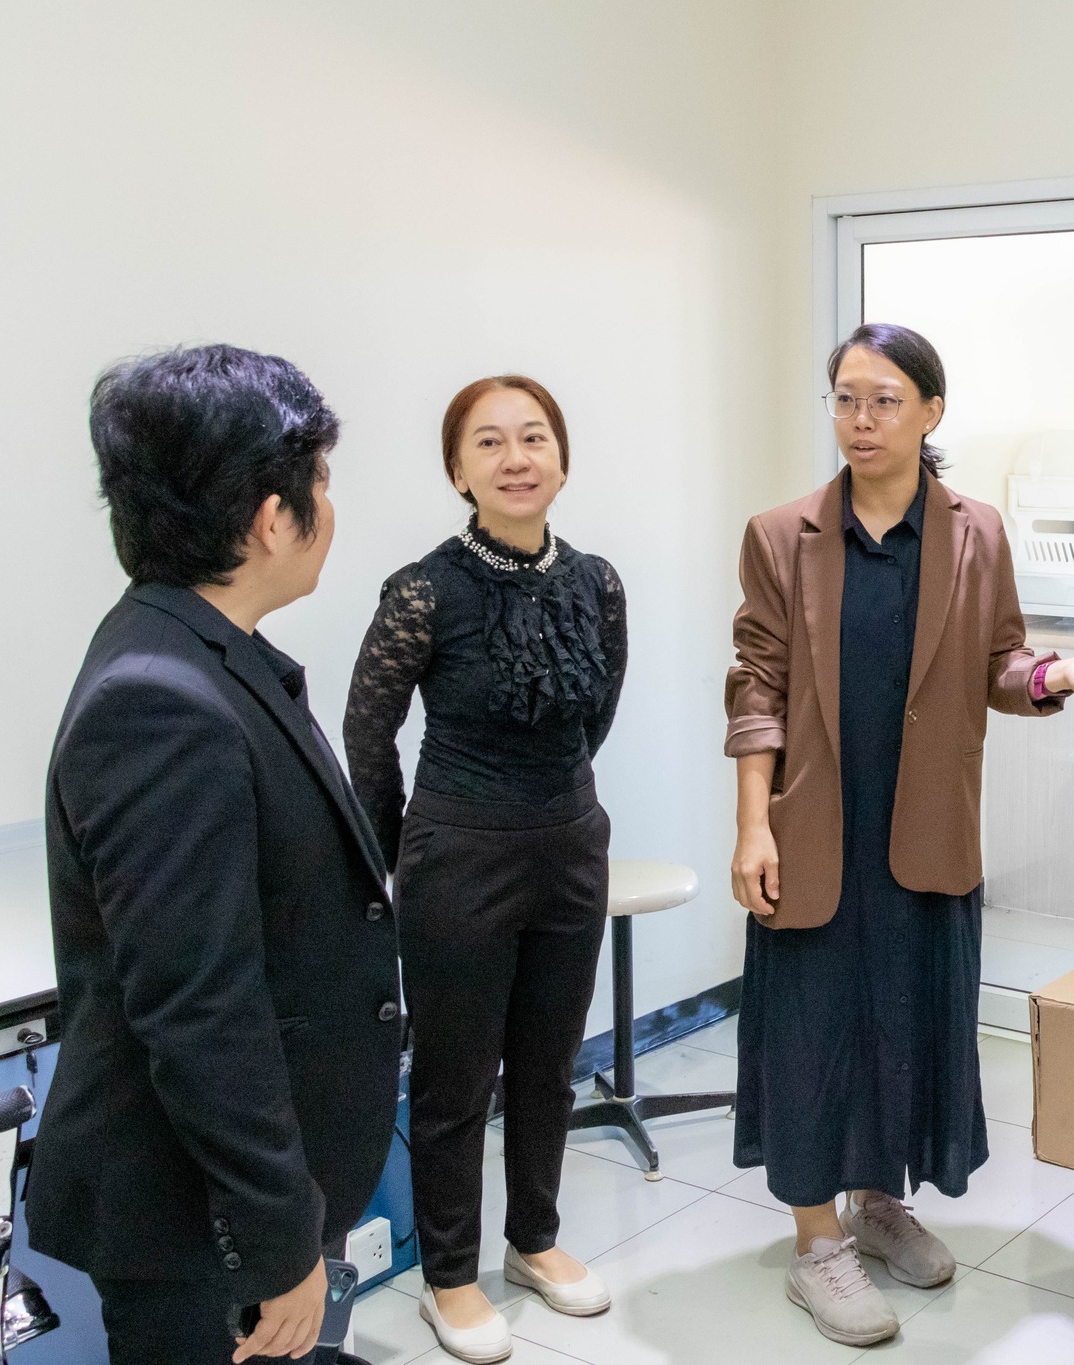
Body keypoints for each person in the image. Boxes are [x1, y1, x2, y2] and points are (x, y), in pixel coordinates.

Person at [725, 323, 1074, 1346]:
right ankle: (815, 1244)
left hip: (924, 830)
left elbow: (999, 662)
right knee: (811, 1034)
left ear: (930, 411)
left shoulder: (974, 533)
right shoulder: (782, 535)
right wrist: (751, 827)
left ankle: (878, 1202)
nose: (860, 419)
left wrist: (1059, 673)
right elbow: (756, 687)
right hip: (813, 829)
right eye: (844, 398)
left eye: (883, 399)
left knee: (904, 1025)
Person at [28, 345, 404, 1364]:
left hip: (236, 1193)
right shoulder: (161, 700)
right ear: (271, 517)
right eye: (321, 481)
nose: (329, 507)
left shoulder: (196, 652)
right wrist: (277, 1243)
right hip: (196, 1215)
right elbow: (198, 1006)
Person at [344, 375, 626, 1363]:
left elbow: (595, 714)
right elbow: (367, 736)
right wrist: (398, 856)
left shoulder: (597, 582)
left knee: (550, 1064)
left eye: (534, 437)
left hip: (570, 845)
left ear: (562, 459)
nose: (517, 458)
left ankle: (534, 1239)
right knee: (455, 1081)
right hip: (457, 856)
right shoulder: (424, 590)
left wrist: (553, 800)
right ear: (458, 471)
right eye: (491, 442)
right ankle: (451, 1277)